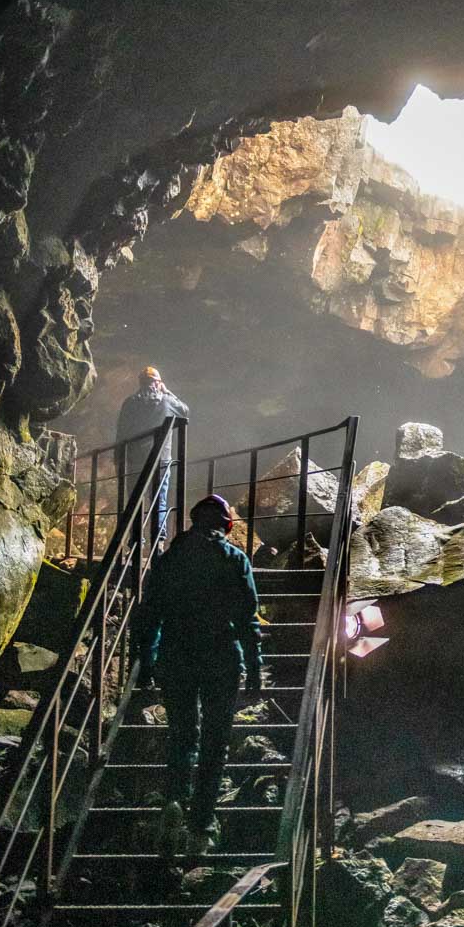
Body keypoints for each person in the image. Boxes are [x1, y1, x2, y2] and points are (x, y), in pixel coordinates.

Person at [138, 493, 263, 856]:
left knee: (181, 734)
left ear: (193, 522)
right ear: (226, 526)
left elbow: (150, 615)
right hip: (221, 660)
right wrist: (254, 669)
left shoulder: (170, 559)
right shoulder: (234, 560)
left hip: (176, 658)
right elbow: (247, 619)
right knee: (214, 742)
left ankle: (174, 802)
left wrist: (147, 662)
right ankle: (200, 826)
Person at [115, 366, 189, 548]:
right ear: (157, 383)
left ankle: (136, 543)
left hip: (135, 459)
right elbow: (185, 411)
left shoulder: (130, 403)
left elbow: (121, 432)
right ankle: (158, 543)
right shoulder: (166, 401)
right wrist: (168, 391)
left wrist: (118, 458)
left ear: (140, 383)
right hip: (161, 458)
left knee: (135, 500)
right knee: (159, 499)